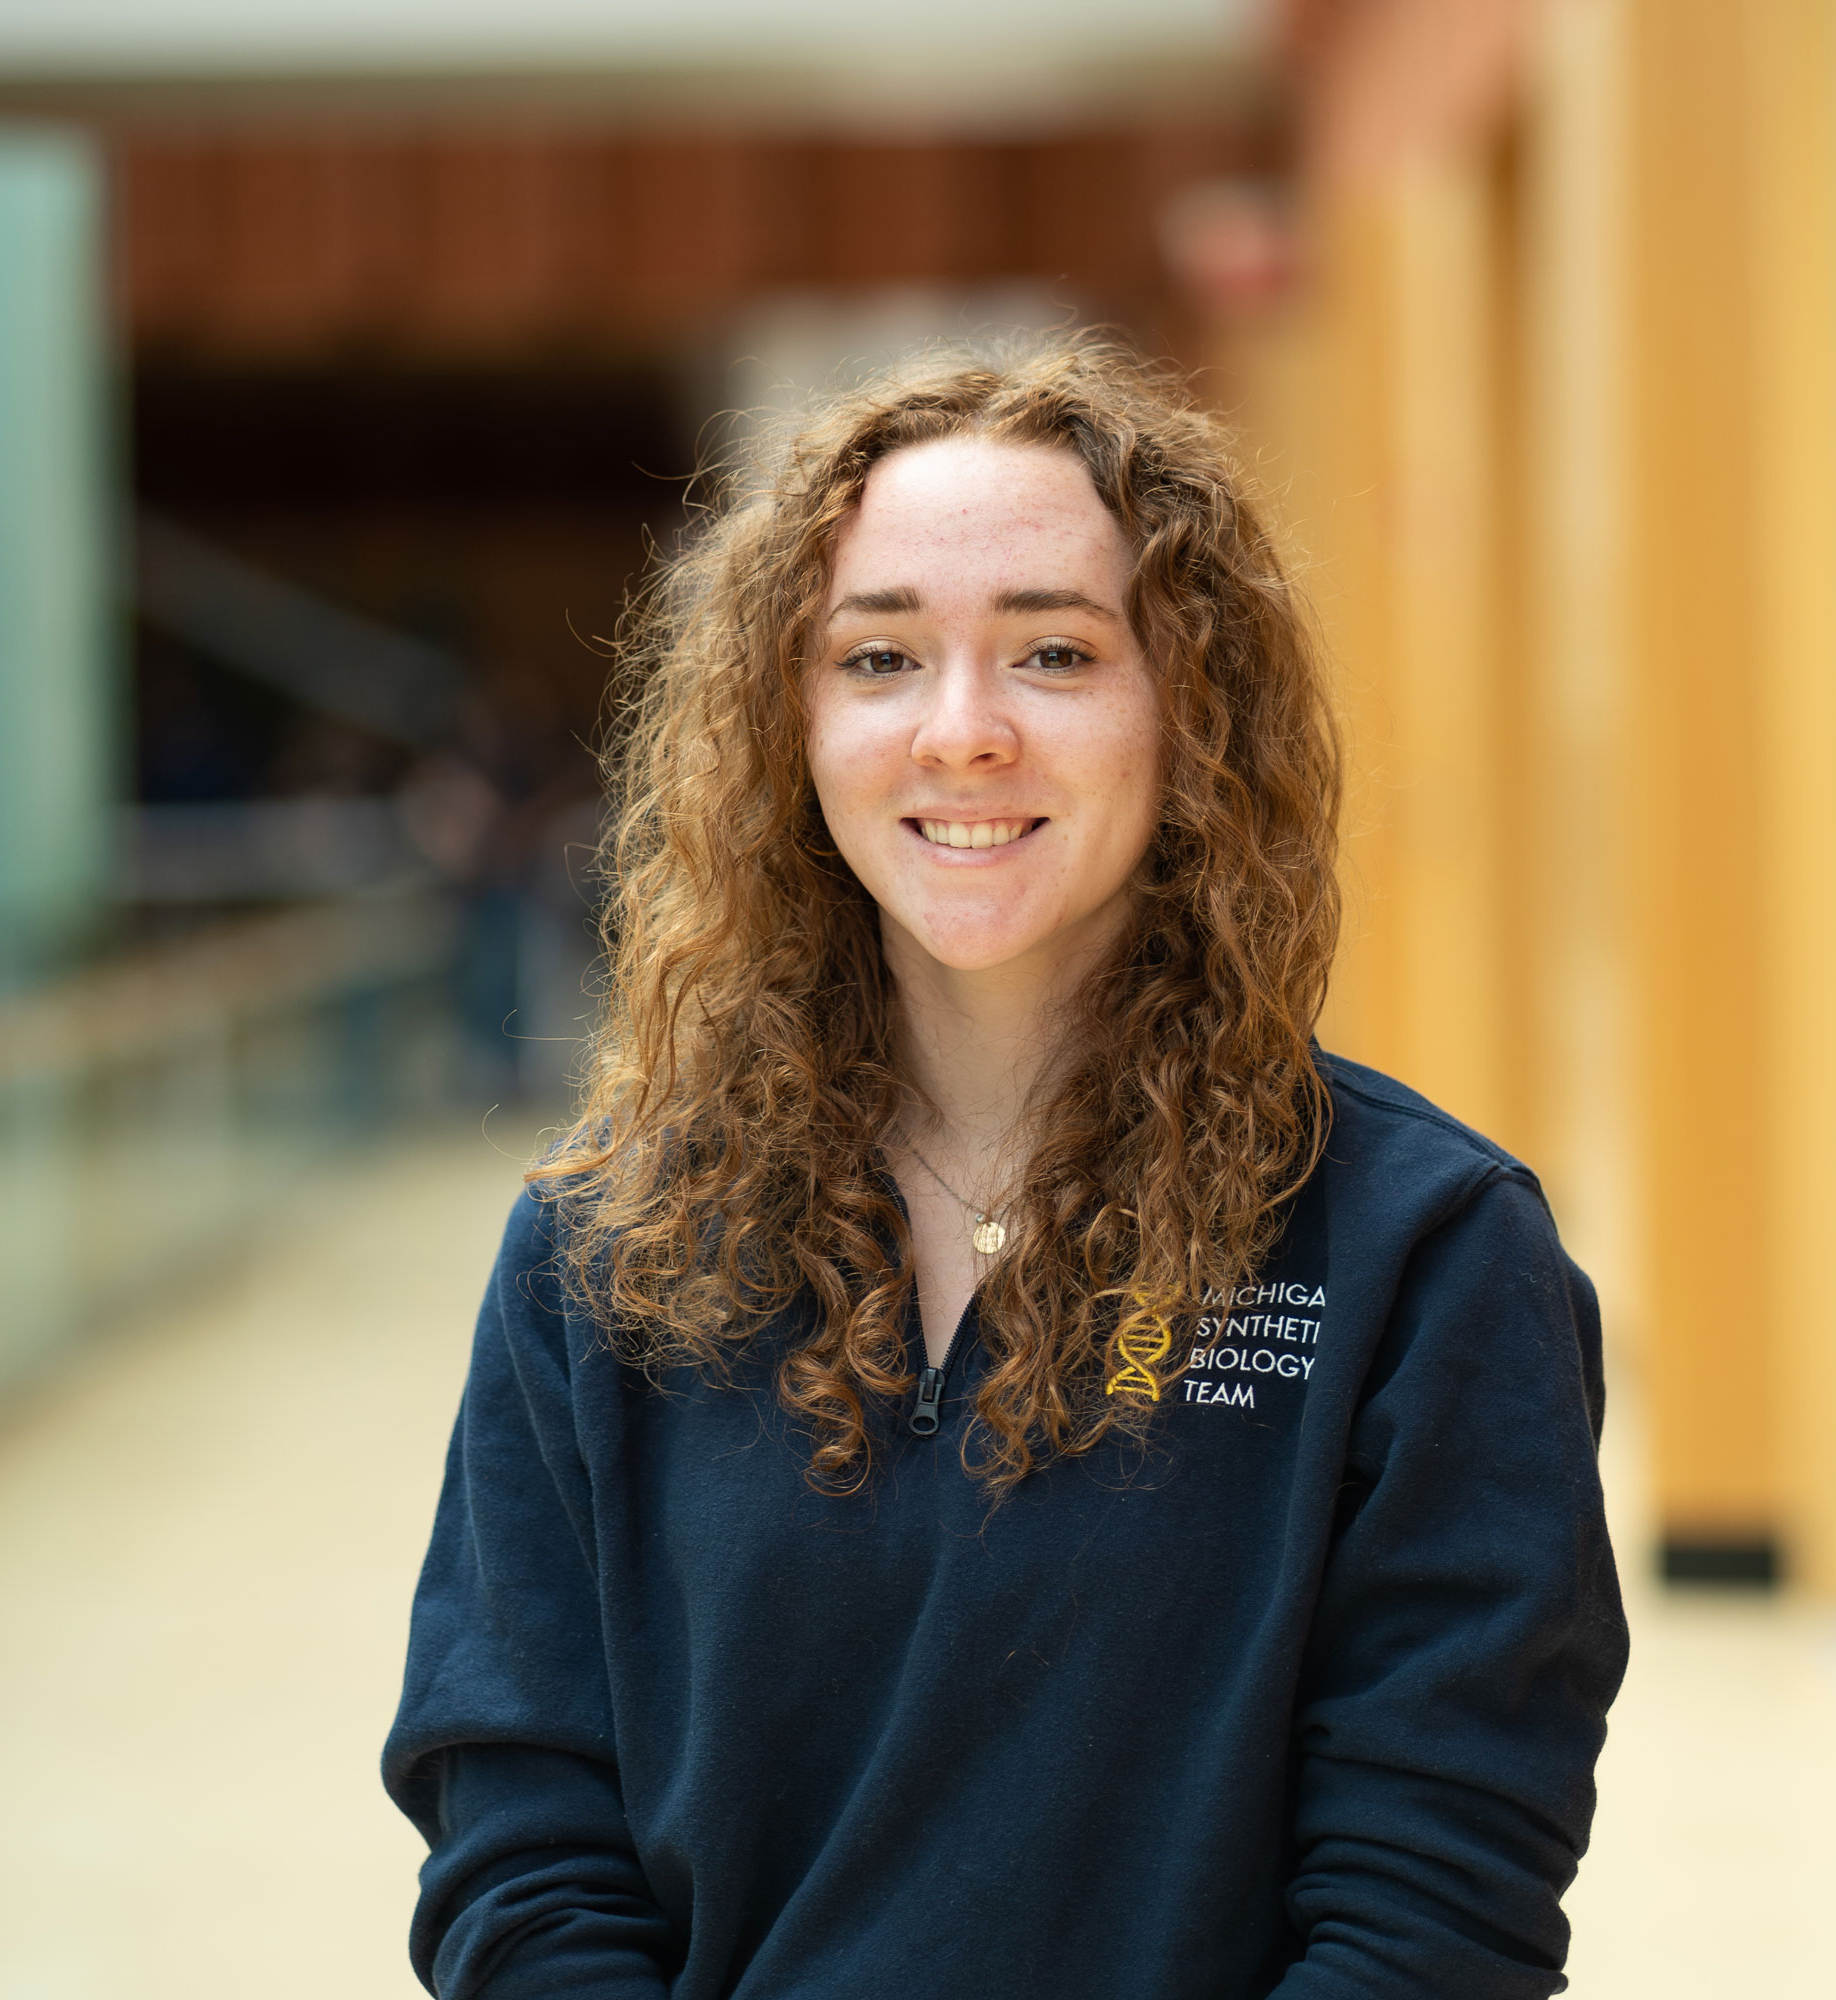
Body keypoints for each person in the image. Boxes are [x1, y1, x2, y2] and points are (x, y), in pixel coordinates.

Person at [383, 332, 1628, 2000]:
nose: (961, 733)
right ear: (791, 723)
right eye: (880, 659)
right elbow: (523, 1852)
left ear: (1189, 712)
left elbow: (1437, 1901)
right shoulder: (606, 1252)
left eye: (1053, 651)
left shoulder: (1424, 1255)